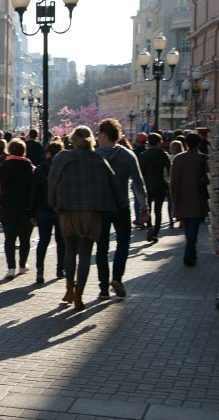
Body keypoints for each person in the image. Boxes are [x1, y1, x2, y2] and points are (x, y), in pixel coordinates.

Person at [48, 125, 120, 310]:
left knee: (70, 251)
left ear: (73, 140)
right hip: (91, 212)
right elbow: (113, 183)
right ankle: (79, 295)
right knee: (86, 254)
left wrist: (53, 203)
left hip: (68, 210)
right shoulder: (98, 158)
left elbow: (52, 181)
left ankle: (69, 289)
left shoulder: (63, 157)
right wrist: (116, 207)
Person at [95, 118, 147, 300]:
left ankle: (103, 288)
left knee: (101, 247)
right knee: (123, 243)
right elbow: (139, 184)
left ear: (104, 135)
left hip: (100, 207)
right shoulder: (128, 155)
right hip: (121, 206)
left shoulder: (95, 156)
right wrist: (144, 208)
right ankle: (117, 278)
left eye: (98, 134)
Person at [170, 132, 210, 266]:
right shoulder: (203, 158)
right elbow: (209, 178)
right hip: (198, 198)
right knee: (193, 227)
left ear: (186, 143)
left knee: (188, 227)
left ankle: (191, 253)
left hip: (182, 198)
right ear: (199, 144)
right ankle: (189, 254)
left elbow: (173, 182)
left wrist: (174, 198)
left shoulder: (178, 159)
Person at [0, 138, 35, 280]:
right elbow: (34, 189)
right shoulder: (30, 168)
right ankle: (22, 265)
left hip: (7, 205)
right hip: (25, 207)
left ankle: (11, 268)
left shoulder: (3, 167)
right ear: (23, 151)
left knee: (9, 238)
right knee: (25, 238)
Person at [30, 141, 65, 284]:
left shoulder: (40, 169)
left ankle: (40, 270)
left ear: (48, 153)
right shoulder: (63, 168)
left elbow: (33, 192)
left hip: (42, 209)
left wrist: (32, 213)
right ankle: (60, 269)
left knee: (43, 241)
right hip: (60, 210)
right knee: (61, 241)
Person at [138, 132, 171, 243]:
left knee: (148, 208)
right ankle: (156, 233)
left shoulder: (143, 155)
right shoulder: (163, 154)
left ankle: (149, 227)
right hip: (160, 183)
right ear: (158, 142)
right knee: (158, 210)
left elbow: (140, 172)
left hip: (147, 184)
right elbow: (169, 170)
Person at [167, 138, 185, 227]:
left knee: (171, 202)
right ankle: (181, 220)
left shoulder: (169, 157)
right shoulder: (183, 157)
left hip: (170, 181)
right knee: (181, 201)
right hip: (181, 182)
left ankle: (171, 221)